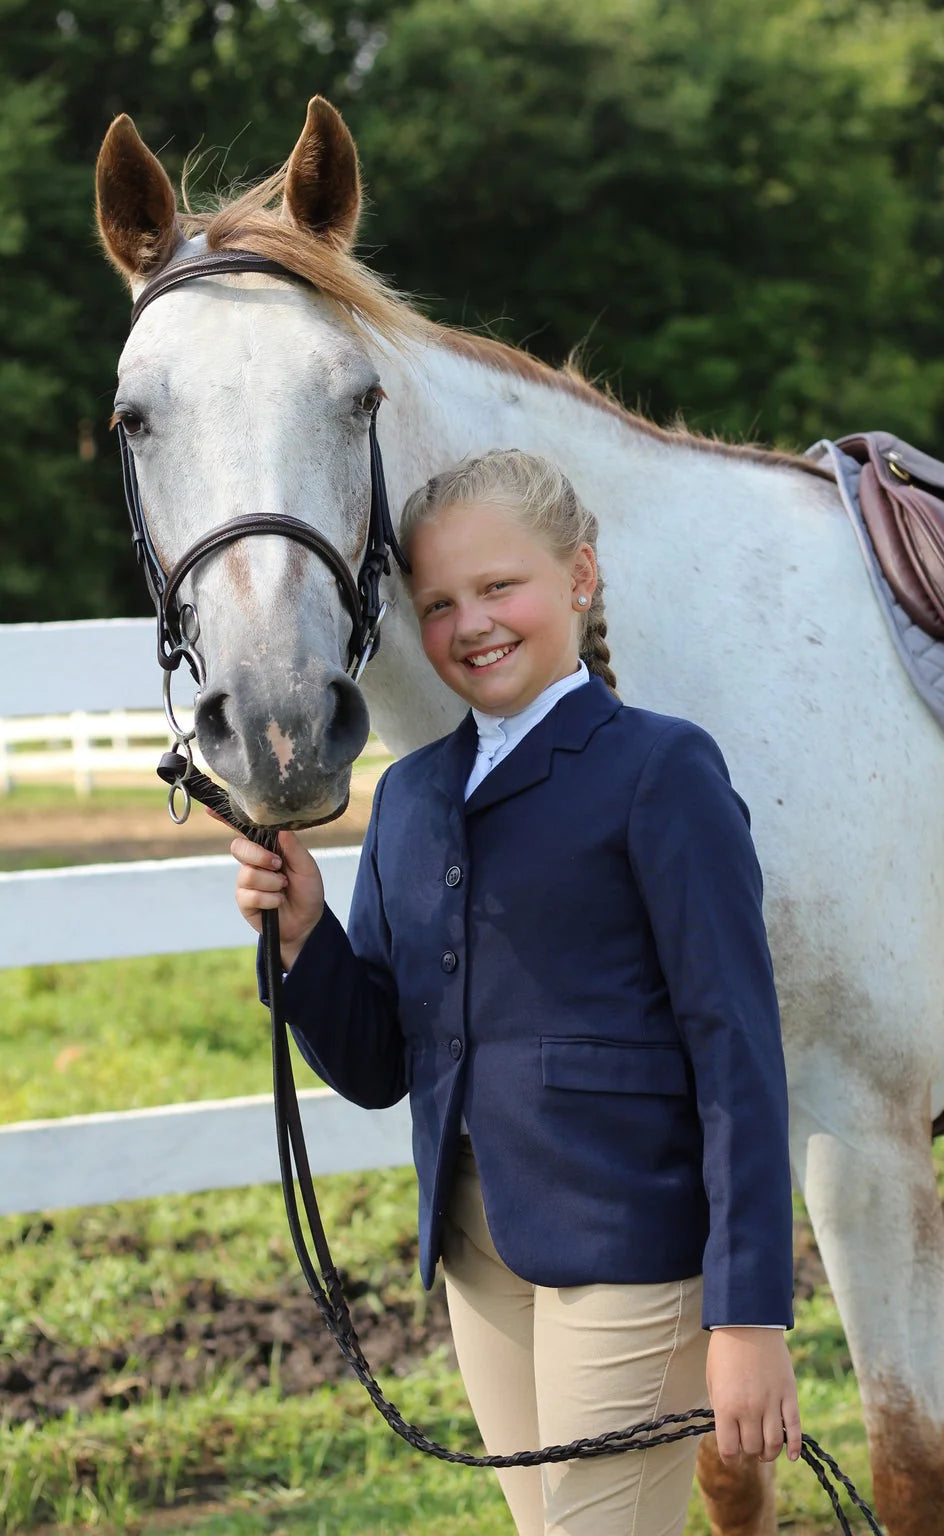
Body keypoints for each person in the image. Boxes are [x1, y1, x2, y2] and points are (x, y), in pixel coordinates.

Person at [230, 450, 800, 1536]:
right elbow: (377, 1066)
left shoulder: (659, 769)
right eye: (438, 603)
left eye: (500, 587)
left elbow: (737, 1051)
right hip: (478, 1258)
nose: (469, 624)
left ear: (579, 578)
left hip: (631, 1250)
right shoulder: (408, 796)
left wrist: (748, 1320)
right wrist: (303, 936)